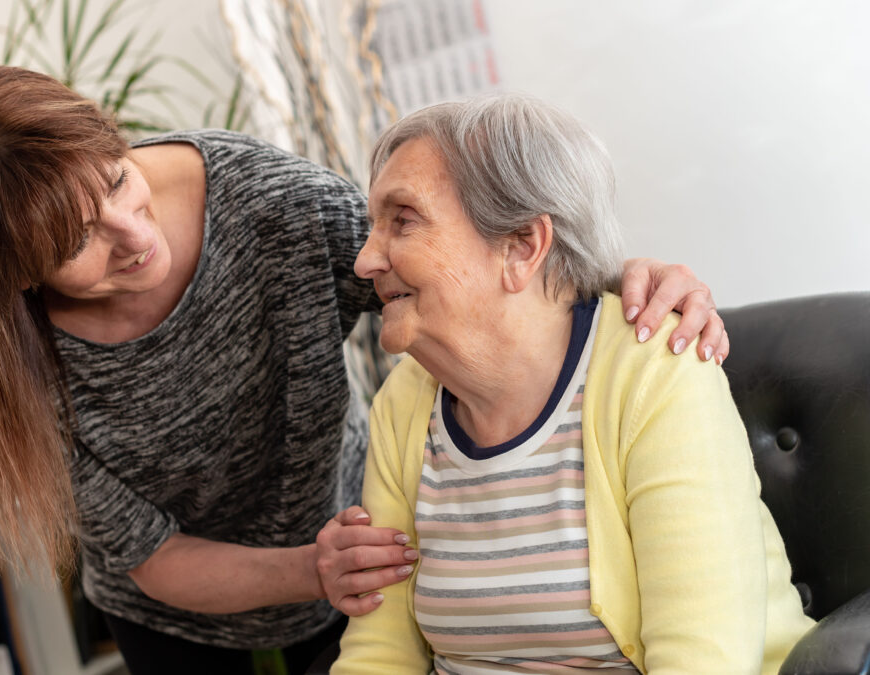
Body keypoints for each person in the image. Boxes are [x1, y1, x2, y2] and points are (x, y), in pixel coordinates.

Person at [0, 65, 730, 674]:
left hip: (352, 578)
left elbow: (452, 262)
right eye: (77, 243)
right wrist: (309, 567)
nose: (134, 234)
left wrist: (627, 280)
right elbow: (152, 553)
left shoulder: (267, 203)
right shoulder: (13, 360)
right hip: (179, 618)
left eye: (117, 179)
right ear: (14, 279)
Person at [329, 95, 815, 674]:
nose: (364, 260)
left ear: (521, 247)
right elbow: (378, 654)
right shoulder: (405, 404)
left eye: (402, 220)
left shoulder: (651, 374)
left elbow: (702, 661)